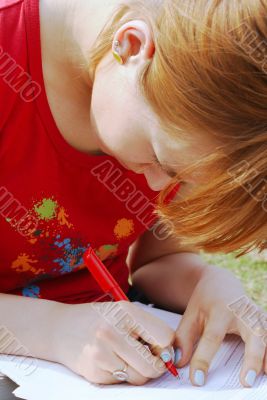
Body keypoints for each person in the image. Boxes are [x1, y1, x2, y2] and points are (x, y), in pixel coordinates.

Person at [0, 0, 266, 388]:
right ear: (133, 45)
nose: (159, 186)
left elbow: (157, 261)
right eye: (161, 158)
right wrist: (52, 330)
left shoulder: (189, 127)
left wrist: (206, 282)